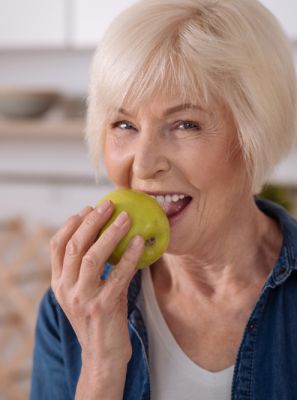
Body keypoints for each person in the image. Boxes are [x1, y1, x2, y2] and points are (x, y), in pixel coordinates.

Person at [30, 0, 297, 399]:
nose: (144, 163)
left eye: (185, 124)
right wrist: (102, 367)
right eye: (124, 124)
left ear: (253, 135)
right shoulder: (72, 307)